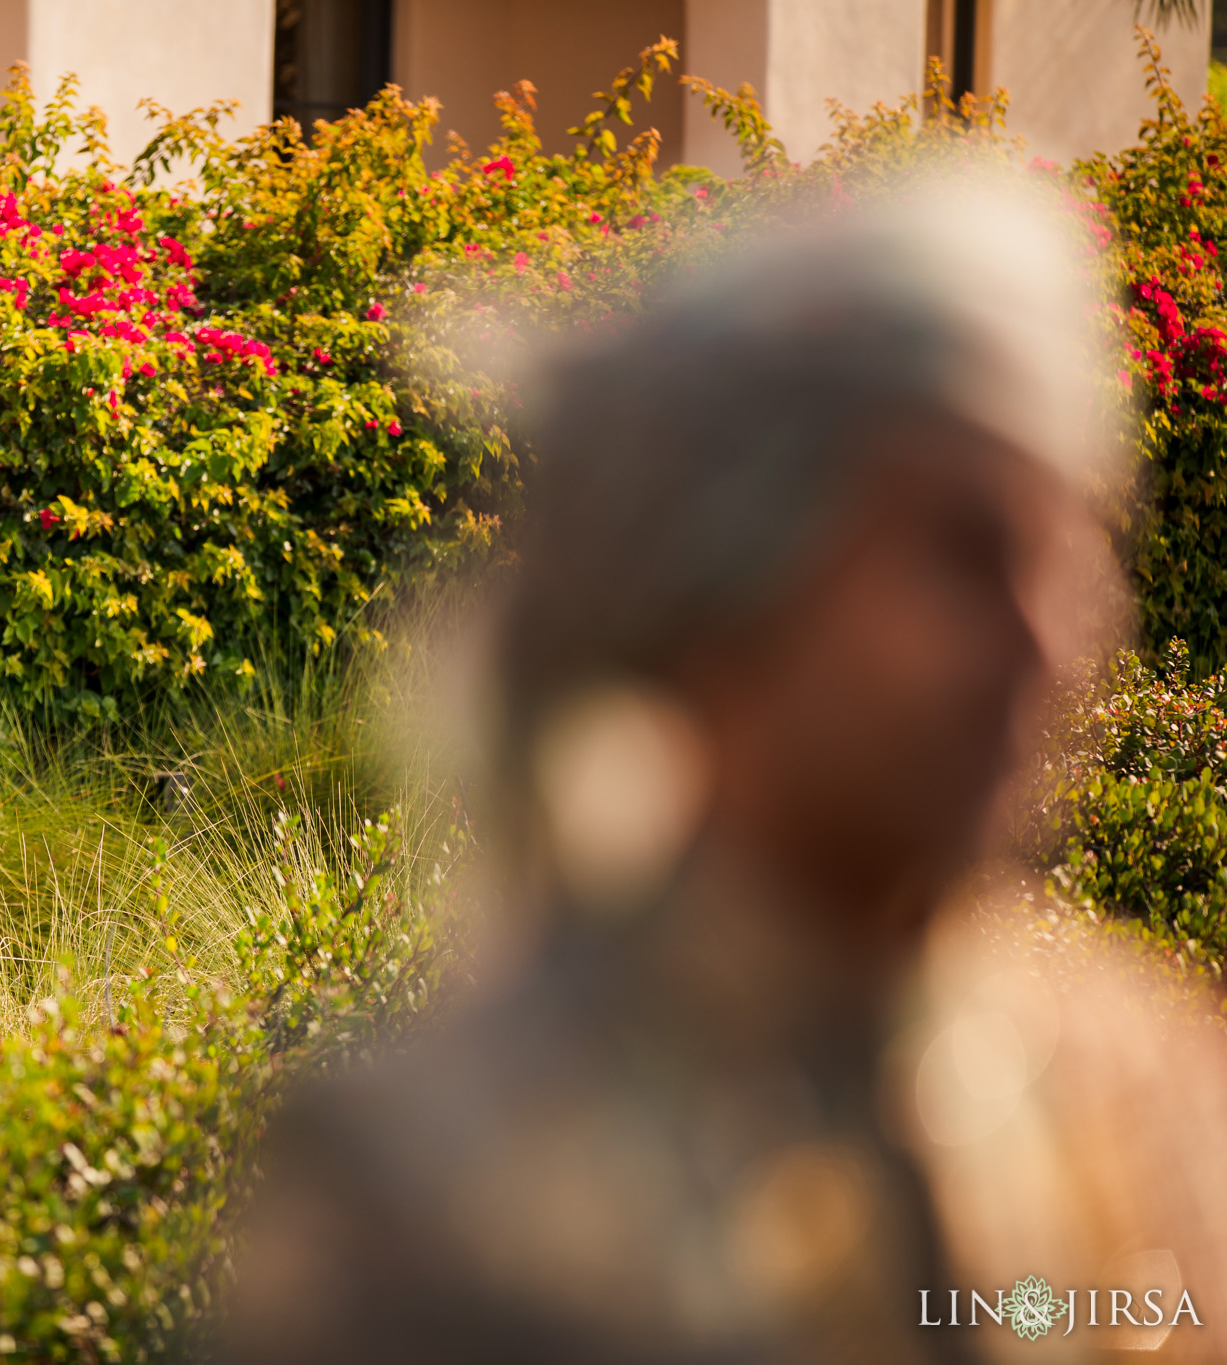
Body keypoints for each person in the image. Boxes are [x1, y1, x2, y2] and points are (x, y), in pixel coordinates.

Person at [218, 183, 1126, 1364]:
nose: (1042, 640)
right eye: (961, 554)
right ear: (720, 589)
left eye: (1067, 547)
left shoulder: (1146, 1100)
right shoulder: (436, 1185)